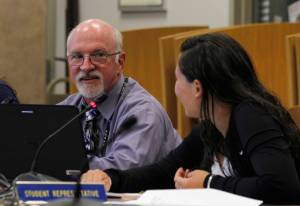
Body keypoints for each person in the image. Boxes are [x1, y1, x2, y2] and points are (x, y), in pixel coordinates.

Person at [80, 33, 300, 204]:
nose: (175, 89)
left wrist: (208, 182)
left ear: (197, 88)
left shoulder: (251, 115)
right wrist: (111, 179)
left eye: (177, 79)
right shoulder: (210, 128)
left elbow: (281, 187)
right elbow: (163, 172)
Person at [59, 19, 181, 171]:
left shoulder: (143, 112)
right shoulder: (65, 110)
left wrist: (58, 163)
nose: (86, 66)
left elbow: (122, 171)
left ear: (121, 62)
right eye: (77, 56)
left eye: (98, 55)